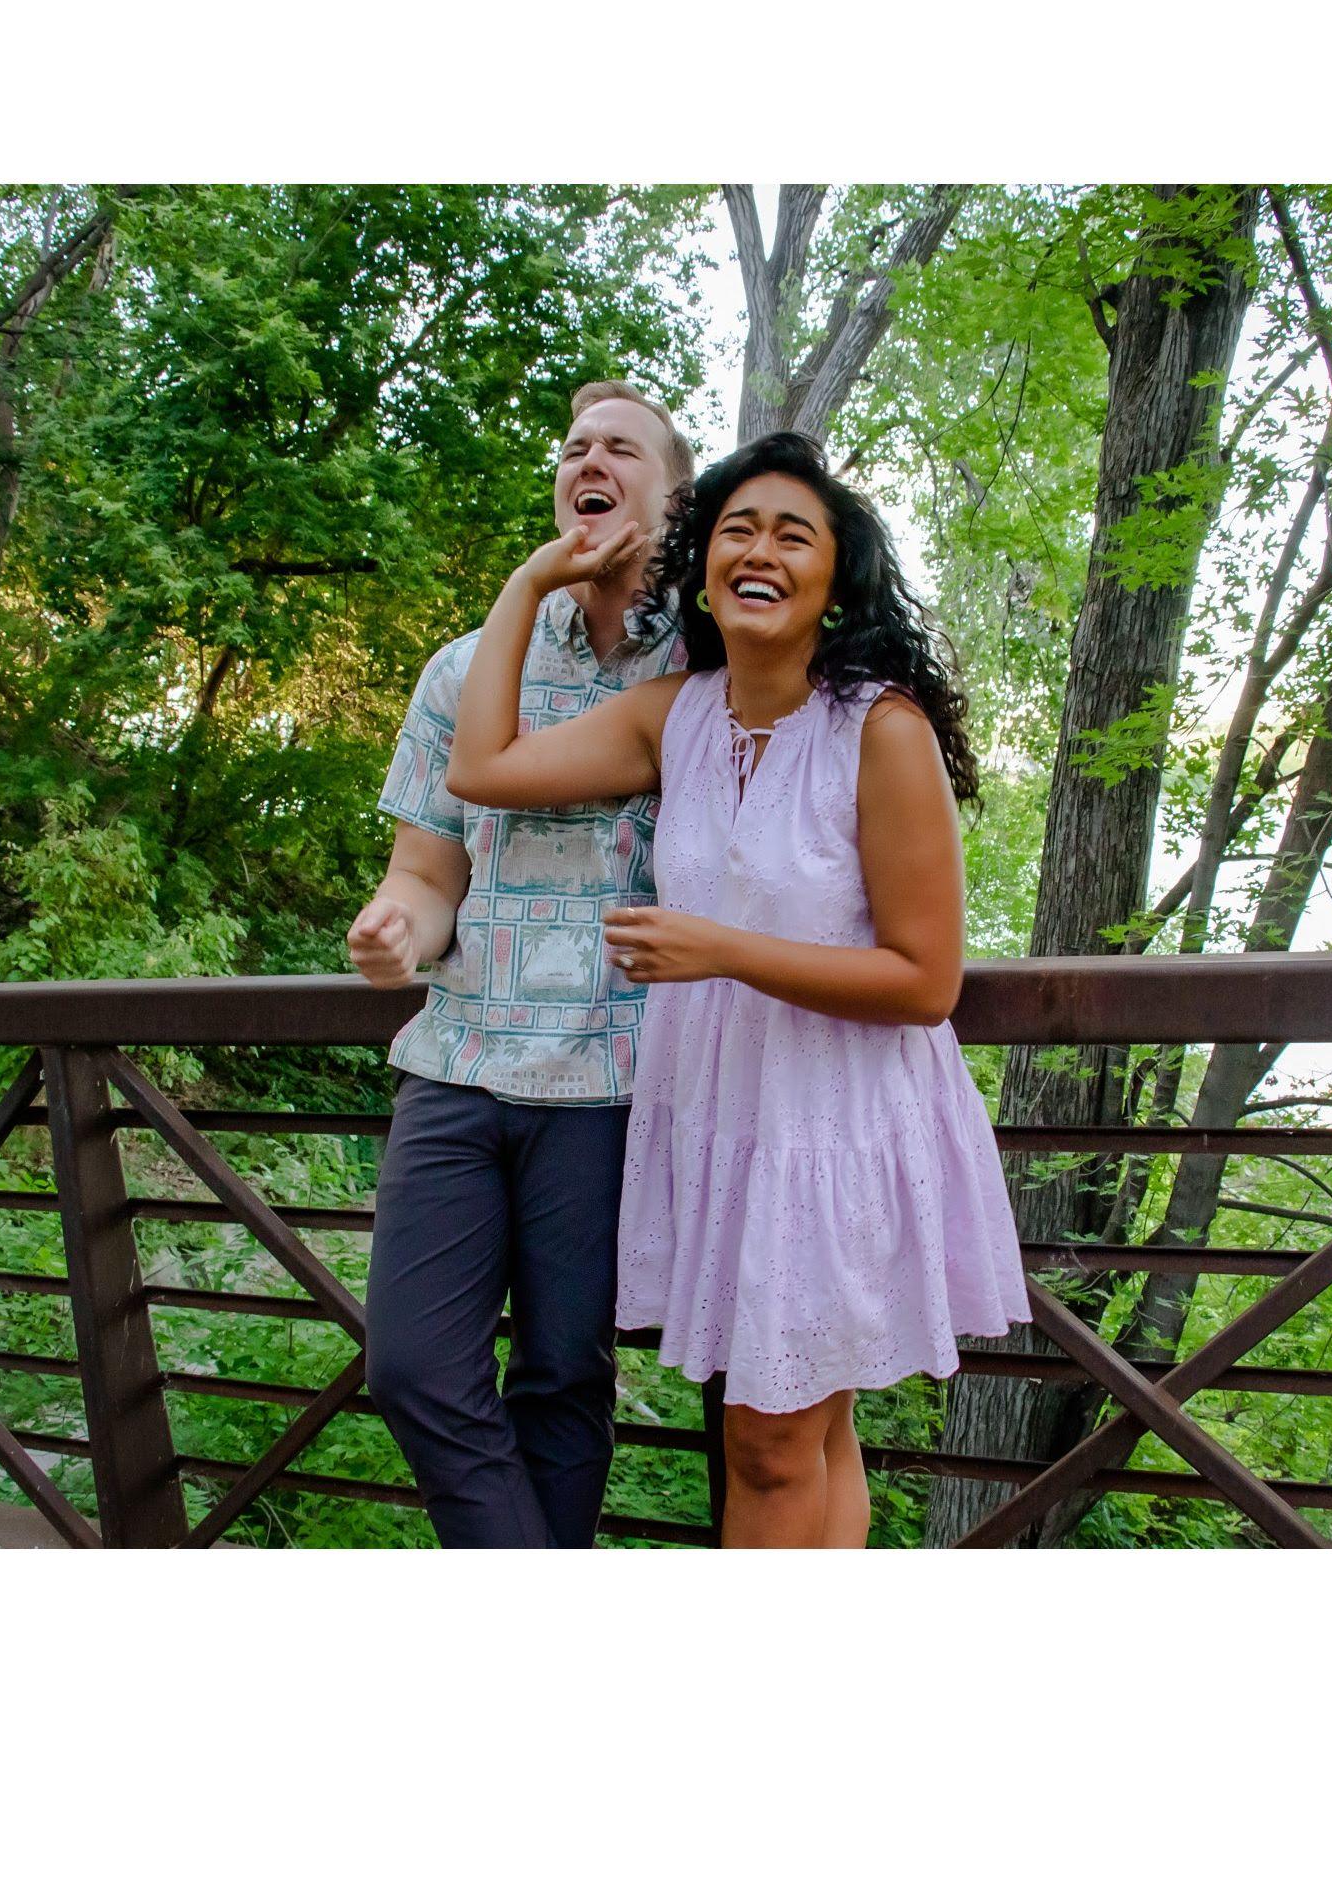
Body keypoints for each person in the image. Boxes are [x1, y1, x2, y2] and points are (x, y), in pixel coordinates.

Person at [445, 429, 1032, 1548]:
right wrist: (530, 582)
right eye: (737, 531)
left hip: (839, 1126)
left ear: (836, 580)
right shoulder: (674, 714)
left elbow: (925, 980)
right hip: (728, 1121)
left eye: (792, 535)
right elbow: (481, 767)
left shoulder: (882, 730)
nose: (759, 551)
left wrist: (722, 949)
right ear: (704, 565)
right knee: (812, 1435)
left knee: (769, 1445)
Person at [345, 380, 691, 1549]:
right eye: (574, 446)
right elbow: (425, 873)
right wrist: (395, 926)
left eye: (621, 448)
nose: (588, 460)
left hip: (611, 1080)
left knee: (561, 1378)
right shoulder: (464, 668)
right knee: (410, 1366)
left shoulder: (708, 672)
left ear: (673, 494)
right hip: (456, 1059)